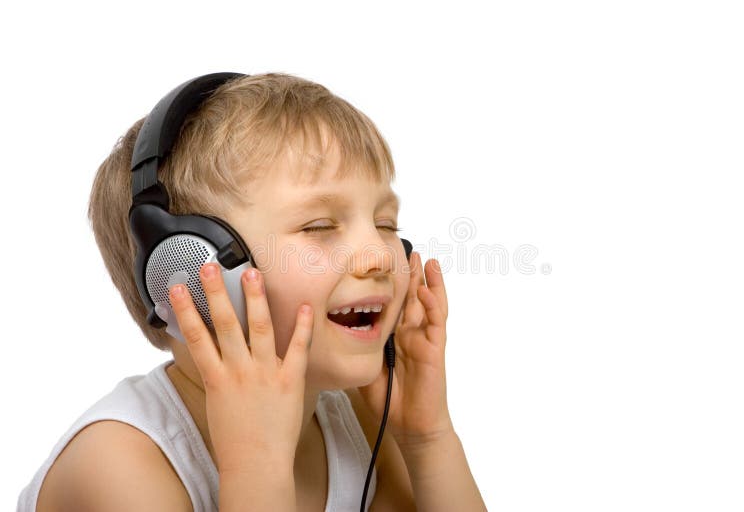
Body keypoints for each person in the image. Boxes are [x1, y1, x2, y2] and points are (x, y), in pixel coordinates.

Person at [17, 72, 487, 511]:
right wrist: (256, 467)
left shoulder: (354, 424)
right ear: (186, 267)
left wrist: (427, 437)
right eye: (319, 226)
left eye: (385, 223)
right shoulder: (117, 464)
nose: (382, 256)